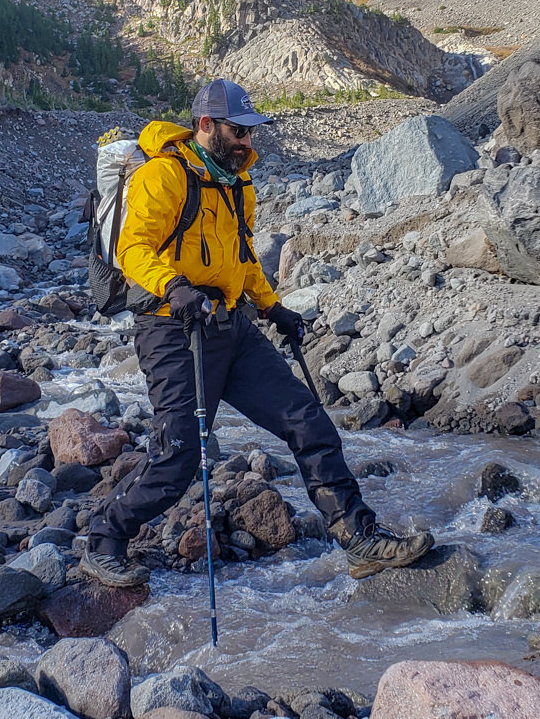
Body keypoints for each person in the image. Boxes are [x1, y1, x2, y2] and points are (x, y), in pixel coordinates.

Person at [80, 77, 434, 587]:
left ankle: (359, 539)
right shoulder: (163, 176)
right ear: (207, 125)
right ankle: (104, 540)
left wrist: (273, 308)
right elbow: (134, 250)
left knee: (307, 421)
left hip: (230, 327)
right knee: (178, 456)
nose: (250, 141)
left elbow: (242, 257)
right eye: (239, 130)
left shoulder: (237, 182)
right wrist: (175, 288)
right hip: (173, 331)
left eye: (252, 131)